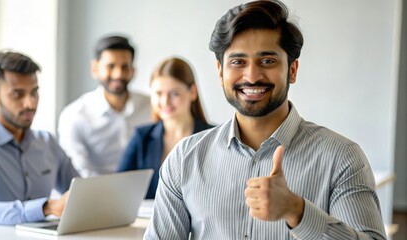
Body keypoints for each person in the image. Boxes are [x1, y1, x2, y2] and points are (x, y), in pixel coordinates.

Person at [144, 0, 387, 239]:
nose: (251, 76)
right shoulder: (184, 158)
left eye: (267, 61)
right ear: (220, 72)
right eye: (238, 62)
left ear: (292, 70)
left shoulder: (342, 157)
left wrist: (297, 212)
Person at [0, 51, 79, 227]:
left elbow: (78, 191)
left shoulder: (47, 141)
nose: (30, 103)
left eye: (34, 92)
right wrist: (46, 208)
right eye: (18, 94)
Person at [116, 57, 214, 199]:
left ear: (192, 92)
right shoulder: (141, 137)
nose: (165, 101)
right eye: (158, 93)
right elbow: (117, 189)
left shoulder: (214, 137)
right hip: (148, 220)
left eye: (174, 93)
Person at [58, 35, 151, 177]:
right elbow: (78, 173)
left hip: (145, 193)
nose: (118, 74)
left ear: (133, 70)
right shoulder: (74, 116)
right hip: (94, 194)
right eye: (110, 66)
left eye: (125, 67)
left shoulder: (151, 106)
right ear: (95, 68)